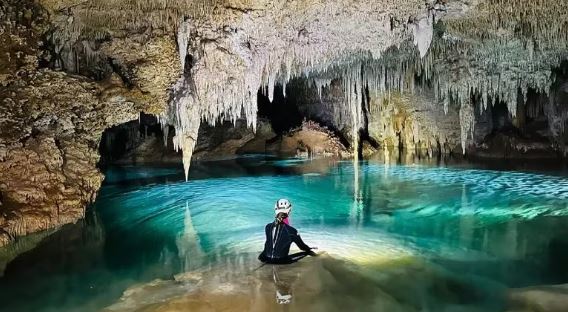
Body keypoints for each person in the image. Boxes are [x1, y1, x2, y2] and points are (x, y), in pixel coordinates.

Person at [258, 199, 316, 264]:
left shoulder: (267, 227)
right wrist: (309, 248)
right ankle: (319, 258)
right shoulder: (292, 231)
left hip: (264, 258)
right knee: (308, 252)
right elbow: (302, 247)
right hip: (281, 261)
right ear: (288, 211)